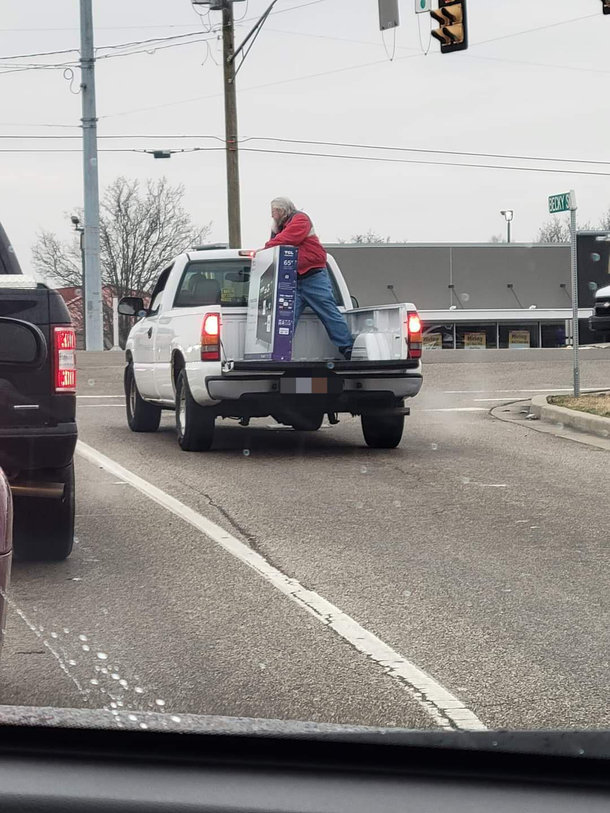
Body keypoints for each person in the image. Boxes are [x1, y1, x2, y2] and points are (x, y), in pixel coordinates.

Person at [259, 197, 354, 360]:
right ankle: (279, 353)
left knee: (328, 312)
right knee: (285, 319)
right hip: (294, 280)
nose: (272, 215)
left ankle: (347, 348)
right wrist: (274, 233)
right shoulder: (283, 226)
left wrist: (266, 246)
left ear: (282, 210)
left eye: (274, 212)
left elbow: (287, 240)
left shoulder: (300, 219)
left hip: (313, 276)